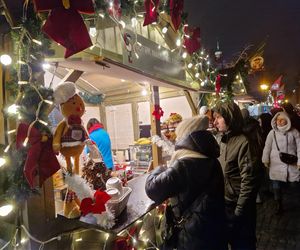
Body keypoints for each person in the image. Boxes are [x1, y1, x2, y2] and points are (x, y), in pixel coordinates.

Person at [145, 116, 226, 250]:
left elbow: (152, 189)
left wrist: (159, 168)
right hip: (213, 231)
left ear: (186, 137)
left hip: (193, 238)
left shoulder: (184, 164)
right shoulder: (212, 160)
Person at [213, 101, 259, 250]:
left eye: (218, 117)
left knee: (243, 244)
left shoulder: (244, 142)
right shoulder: (222, 140)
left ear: (230, 117)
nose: (215, 122)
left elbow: (249, 180)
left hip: (240, 208)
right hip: (225, 204)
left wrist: (239, 211)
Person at [262, 112, 300, 214]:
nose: (279, 121)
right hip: (276, 164)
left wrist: (299, 162)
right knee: (276, 186)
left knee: (294, 185)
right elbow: (267, 147)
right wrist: (265, 159)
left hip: (291, 164)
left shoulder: (294, 132)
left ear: (287, 120)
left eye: (282, 119)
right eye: (277, 119)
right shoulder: (272, 133)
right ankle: (279, 205)